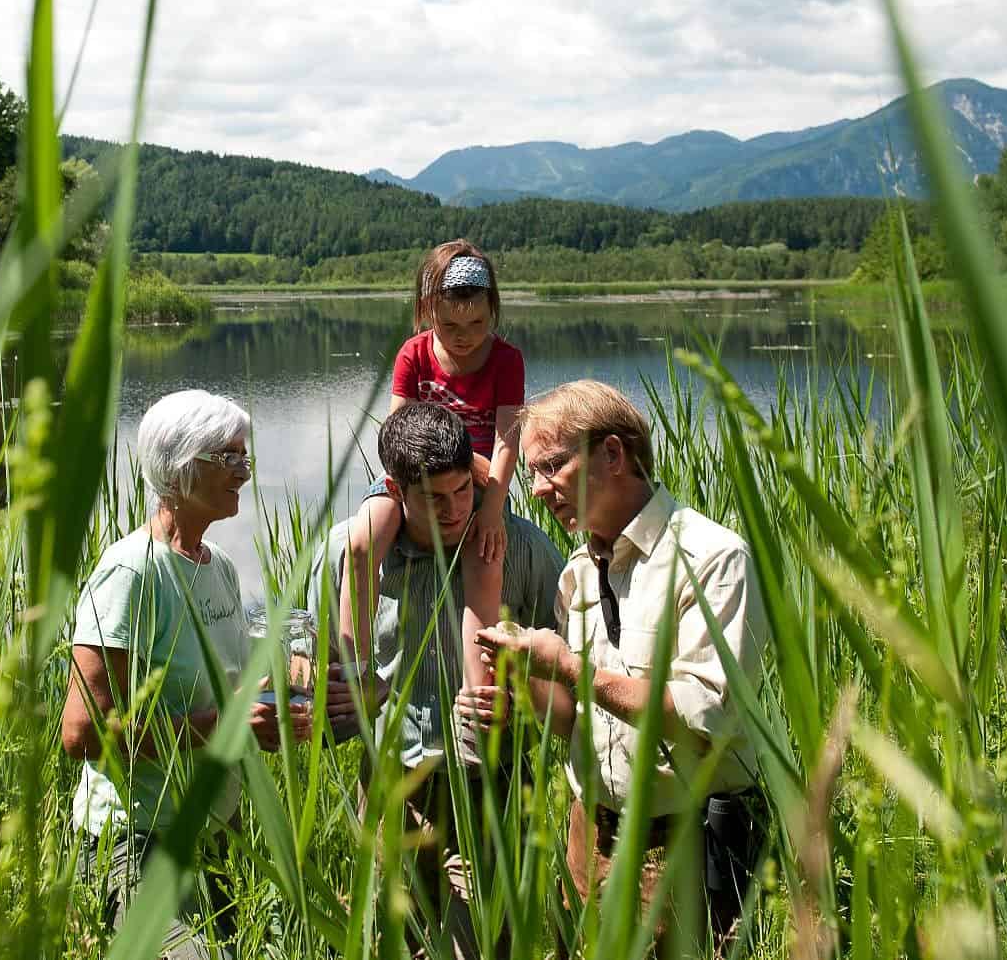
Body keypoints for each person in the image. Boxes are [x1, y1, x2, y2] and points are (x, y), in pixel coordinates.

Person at [469, 380, 768, 952]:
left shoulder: (712, 558)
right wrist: (525, 674)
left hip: (682, 842)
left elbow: (706, 718)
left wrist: (571, 667)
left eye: (550, 466)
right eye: (530, 472)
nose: (535, 489)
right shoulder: (578, 569)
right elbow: (570, 719)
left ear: (612, 453)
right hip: (590, 835)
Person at [60, 390, 316, 960]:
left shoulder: (216, 566)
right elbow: (82, 735)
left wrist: (272, 709)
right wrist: (219, 727)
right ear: (181, 465)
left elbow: (227, 691)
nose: (244, 474)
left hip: (212, 831)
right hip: (136, 841)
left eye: (244, 458)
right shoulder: (130, 573)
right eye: (228, 458)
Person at [314, 401, 565, 960]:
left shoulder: (519, 548)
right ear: (394, 489)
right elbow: (322, 668)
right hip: (390, 782)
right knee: (392, 939)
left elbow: (569, 666)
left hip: (490, 782)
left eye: (462, 492)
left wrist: (521, 701)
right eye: (435, 499)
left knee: (481, 942)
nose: (456, 511)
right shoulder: (347, 554)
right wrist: (350, 696)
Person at [340, 241, 525, 696]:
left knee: (484, 558)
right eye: (449, 325)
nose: (464, 335)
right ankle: (358, 674)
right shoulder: (414, 353)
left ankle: (478, 694)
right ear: (427, 311)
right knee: (362, 542)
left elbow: (508, 440)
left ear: (493, 309)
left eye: (477, 323)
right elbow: (395, 431)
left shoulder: (506, 360)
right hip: (415, 471)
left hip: (480, 484)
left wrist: (493, 508)